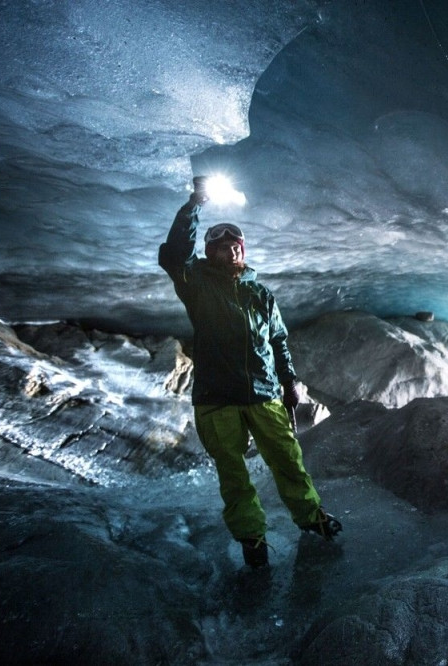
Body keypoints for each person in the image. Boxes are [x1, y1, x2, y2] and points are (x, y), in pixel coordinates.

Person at [158, 176, 341, 568]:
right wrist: (195, 204)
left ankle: (313, 519)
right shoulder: (198, 286)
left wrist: (289, 382)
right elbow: (174, 256)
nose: (232, 251)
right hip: (216, 400)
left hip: (264, 394)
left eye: (236, 245)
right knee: (234, 475)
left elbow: (277, 340)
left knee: (289, 461)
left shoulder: (260, 294)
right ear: (210, 253)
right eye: (222, 247)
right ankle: (252, 541)